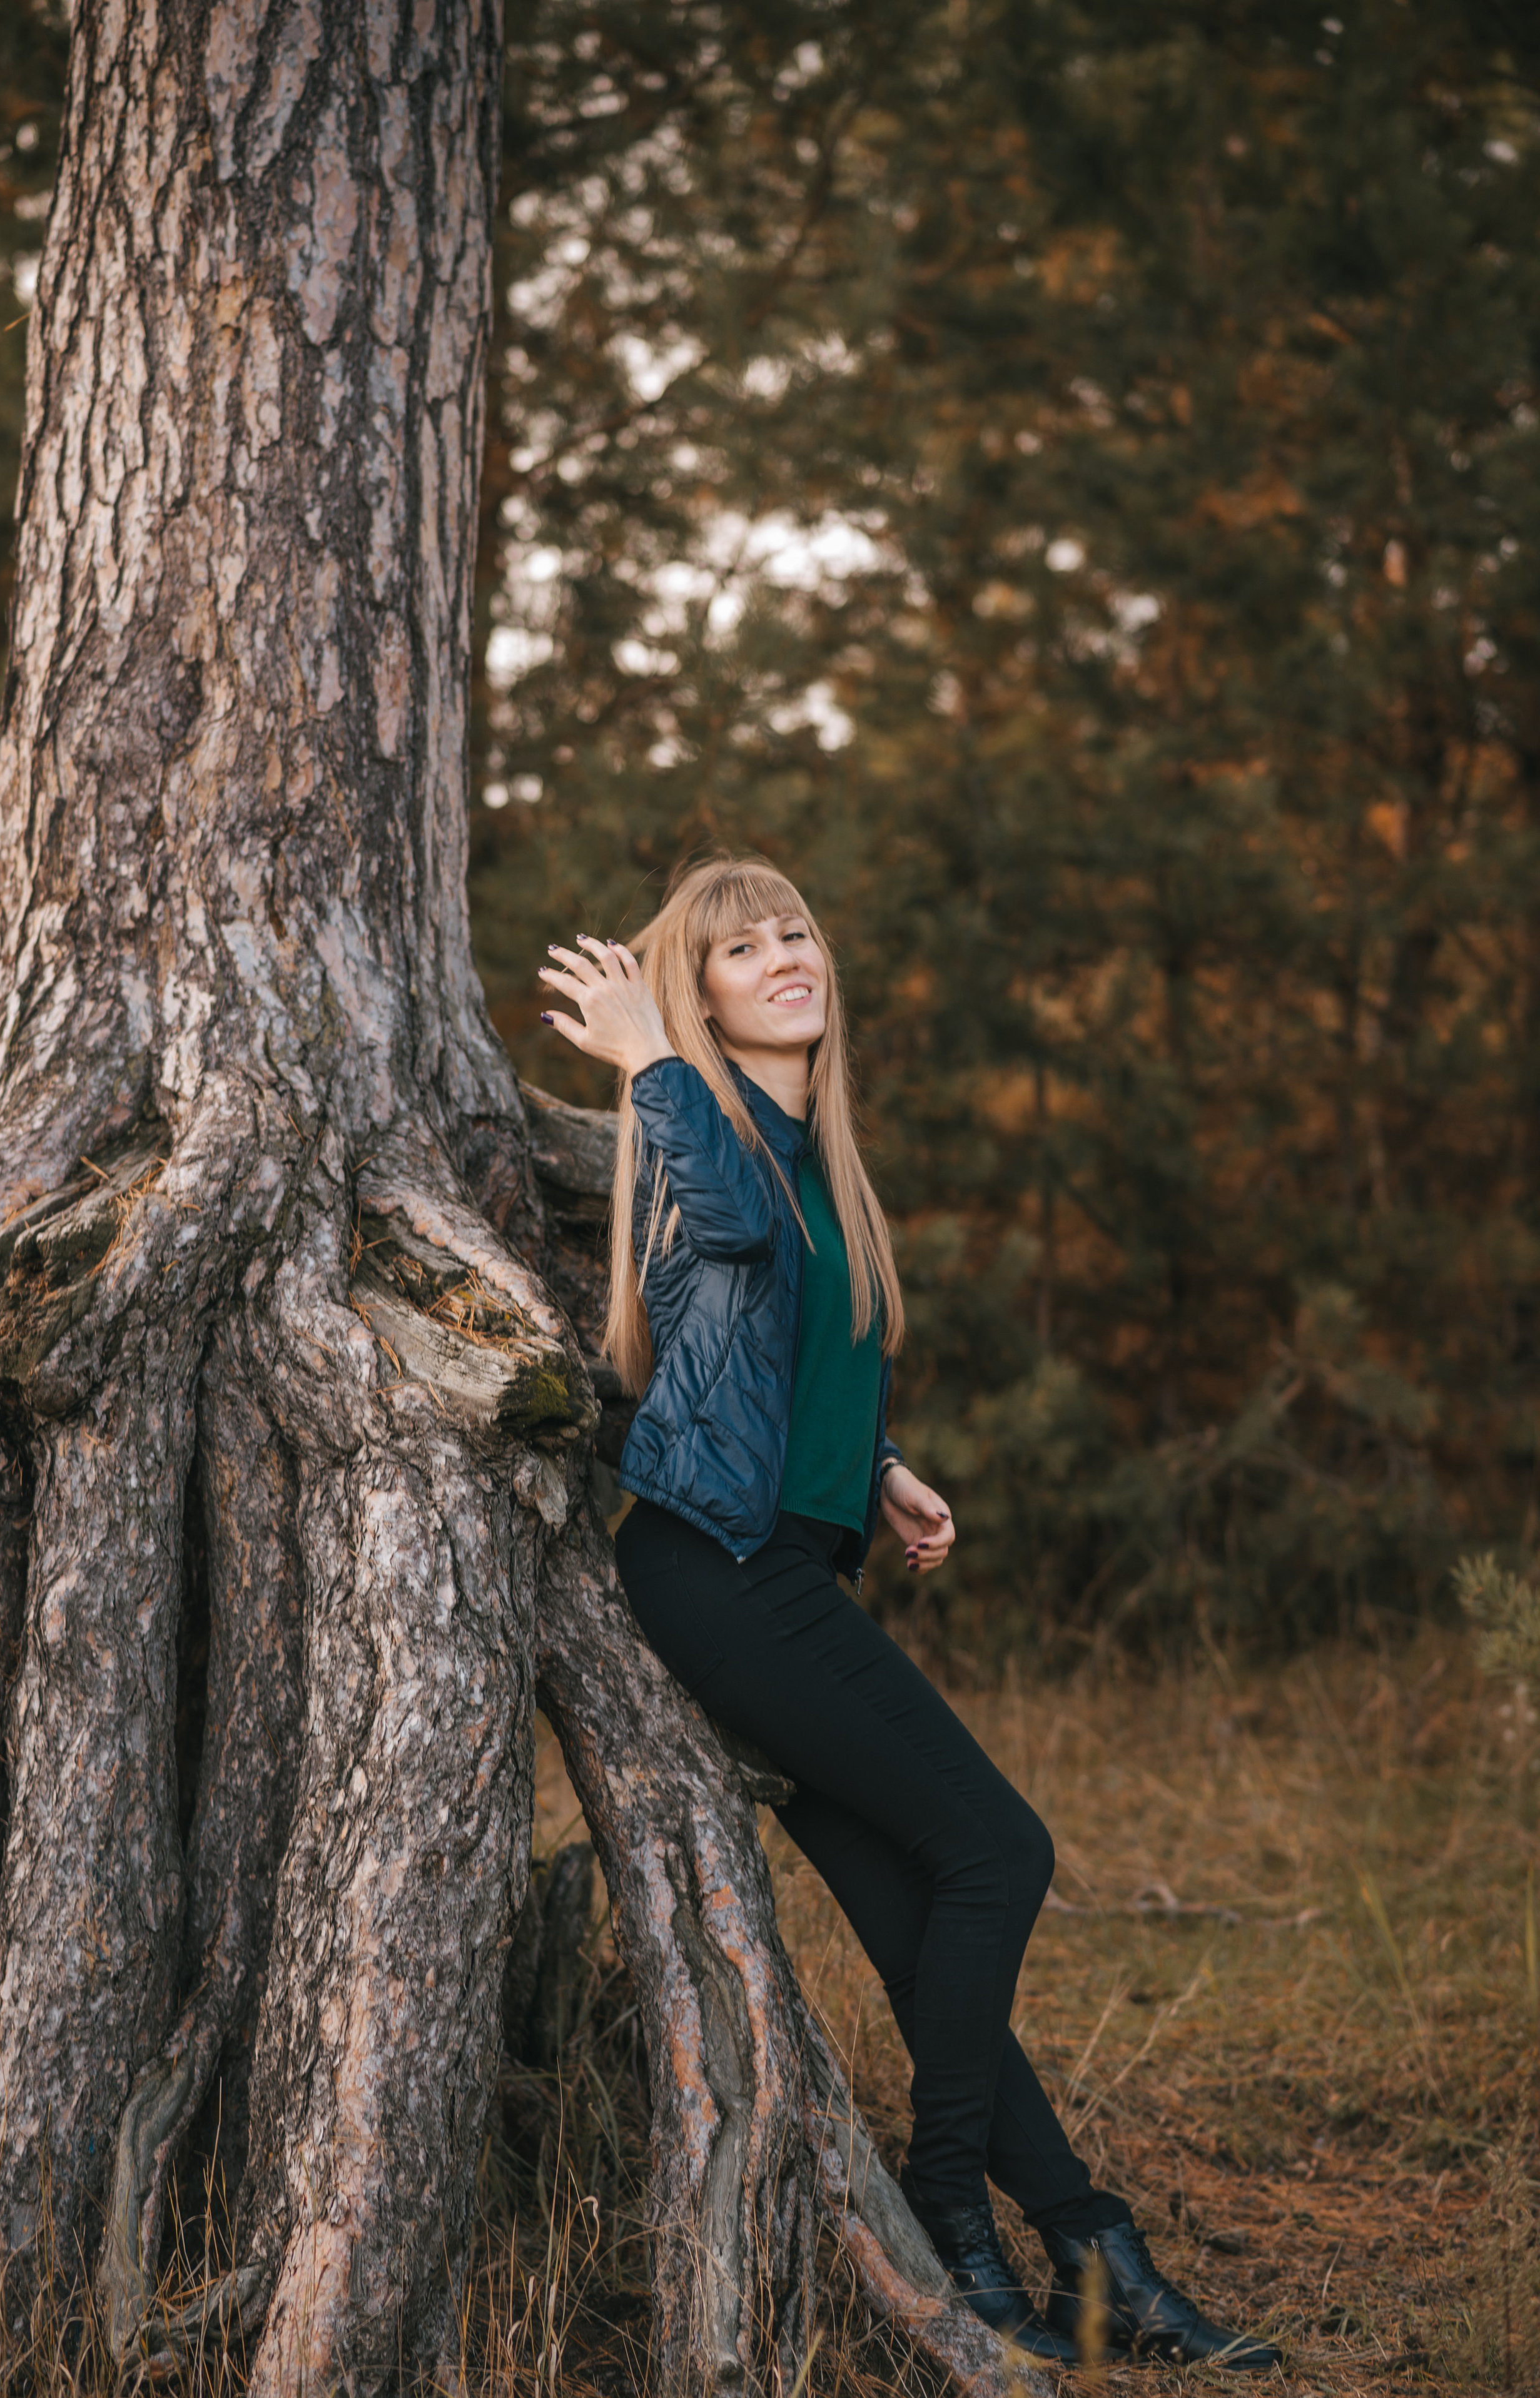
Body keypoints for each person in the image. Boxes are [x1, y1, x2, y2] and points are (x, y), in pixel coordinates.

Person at [539, 854, 1280, 2373]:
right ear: (698, 997)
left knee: (917, 1913)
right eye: (738, 950)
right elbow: (729, 1244)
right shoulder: (705, 1134)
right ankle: (948, 2202)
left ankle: (1093, 2259)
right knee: (1000, 1851)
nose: (782, 956)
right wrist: (648, 1058)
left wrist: (873, 1468)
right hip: (712, 1572)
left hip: (783, 1563)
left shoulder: (816, 1156)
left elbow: (764, 1358)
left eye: (793, 931)